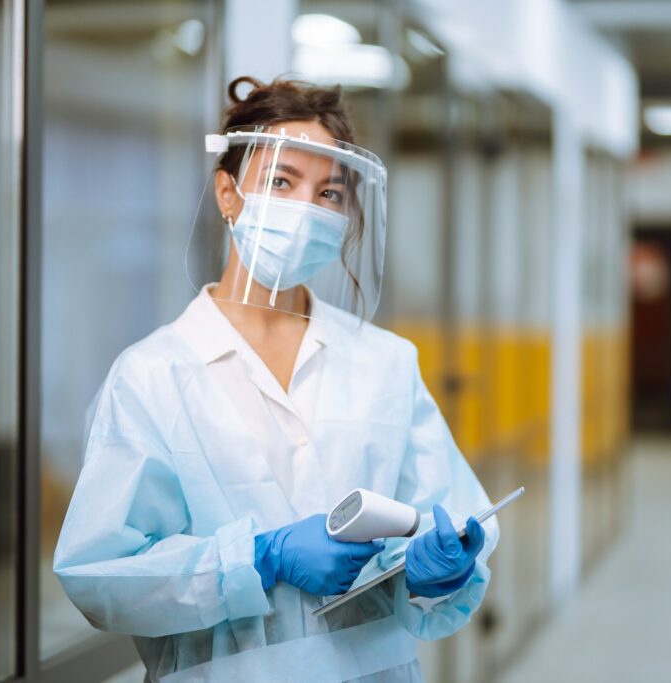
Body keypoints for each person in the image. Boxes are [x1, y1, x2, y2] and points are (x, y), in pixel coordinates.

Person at [53, 76, 499, 683]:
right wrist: (259, 559)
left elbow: (450, 516)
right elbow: (101, 575)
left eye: (330, 194)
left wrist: (436, 572)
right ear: (228, 193)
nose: (306, 210)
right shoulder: (152, 376)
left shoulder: (386, 362)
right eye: (282, 182)